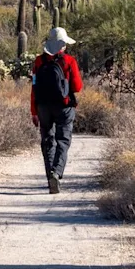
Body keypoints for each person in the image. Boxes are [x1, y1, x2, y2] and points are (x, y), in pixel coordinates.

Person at [31, 27, 83, 194]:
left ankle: (49, 177)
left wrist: (34, 111)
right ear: (63, 44)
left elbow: (34, 87)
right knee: (63, 140)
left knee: (47, 140)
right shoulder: (69, 61)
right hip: (64, 106)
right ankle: (57, 172)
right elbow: (77, 86)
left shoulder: (39, 61)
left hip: (43, 106)